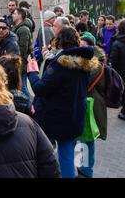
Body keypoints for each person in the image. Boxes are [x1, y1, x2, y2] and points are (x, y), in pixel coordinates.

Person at [27, 27, 97, 178]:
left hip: (58, 117)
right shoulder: (84, 62)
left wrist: (32, 72)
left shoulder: (60, 65)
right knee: (66, 152)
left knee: (62, 157)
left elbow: (40, 88)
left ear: (59, 41)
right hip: (75, 114)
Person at [77, 37, 108, 178]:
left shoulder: (95, 64)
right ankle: (80, 168)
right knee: (81, 137)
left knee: (87, 138)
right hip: (86, 102)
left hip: (91, 104)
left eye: (82, 45)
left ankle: (86, 171)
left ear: (90, 47)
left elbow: (83, 83)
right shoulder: (88, 61)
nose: (79, 48)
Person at [12, 8, 33, 108]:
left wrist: (17, 61)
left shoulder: (23, 29)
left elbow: (23, 48)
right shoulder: (17, 27)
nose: (12, 15)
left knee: (23, 86)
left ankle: (29, 108)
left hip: (21, 62)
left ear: (20, 16)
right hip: (18, 62)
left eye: (15, 13)